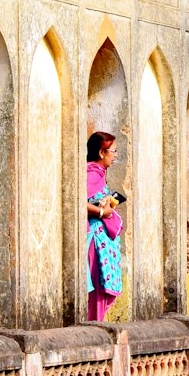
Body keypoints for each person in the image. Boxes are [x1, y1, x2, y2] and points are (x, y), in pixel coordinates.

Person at [86, 132, 123, 322]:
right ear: (102, 152)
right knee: (97, 287)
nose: (115, 155)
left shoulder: (98, 174)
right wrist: (101, 212)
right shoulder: (91, 173)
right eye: (113, 151)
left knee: (100, 287)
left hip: (100, 238)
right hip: (94, 240)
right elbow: (78, 201)